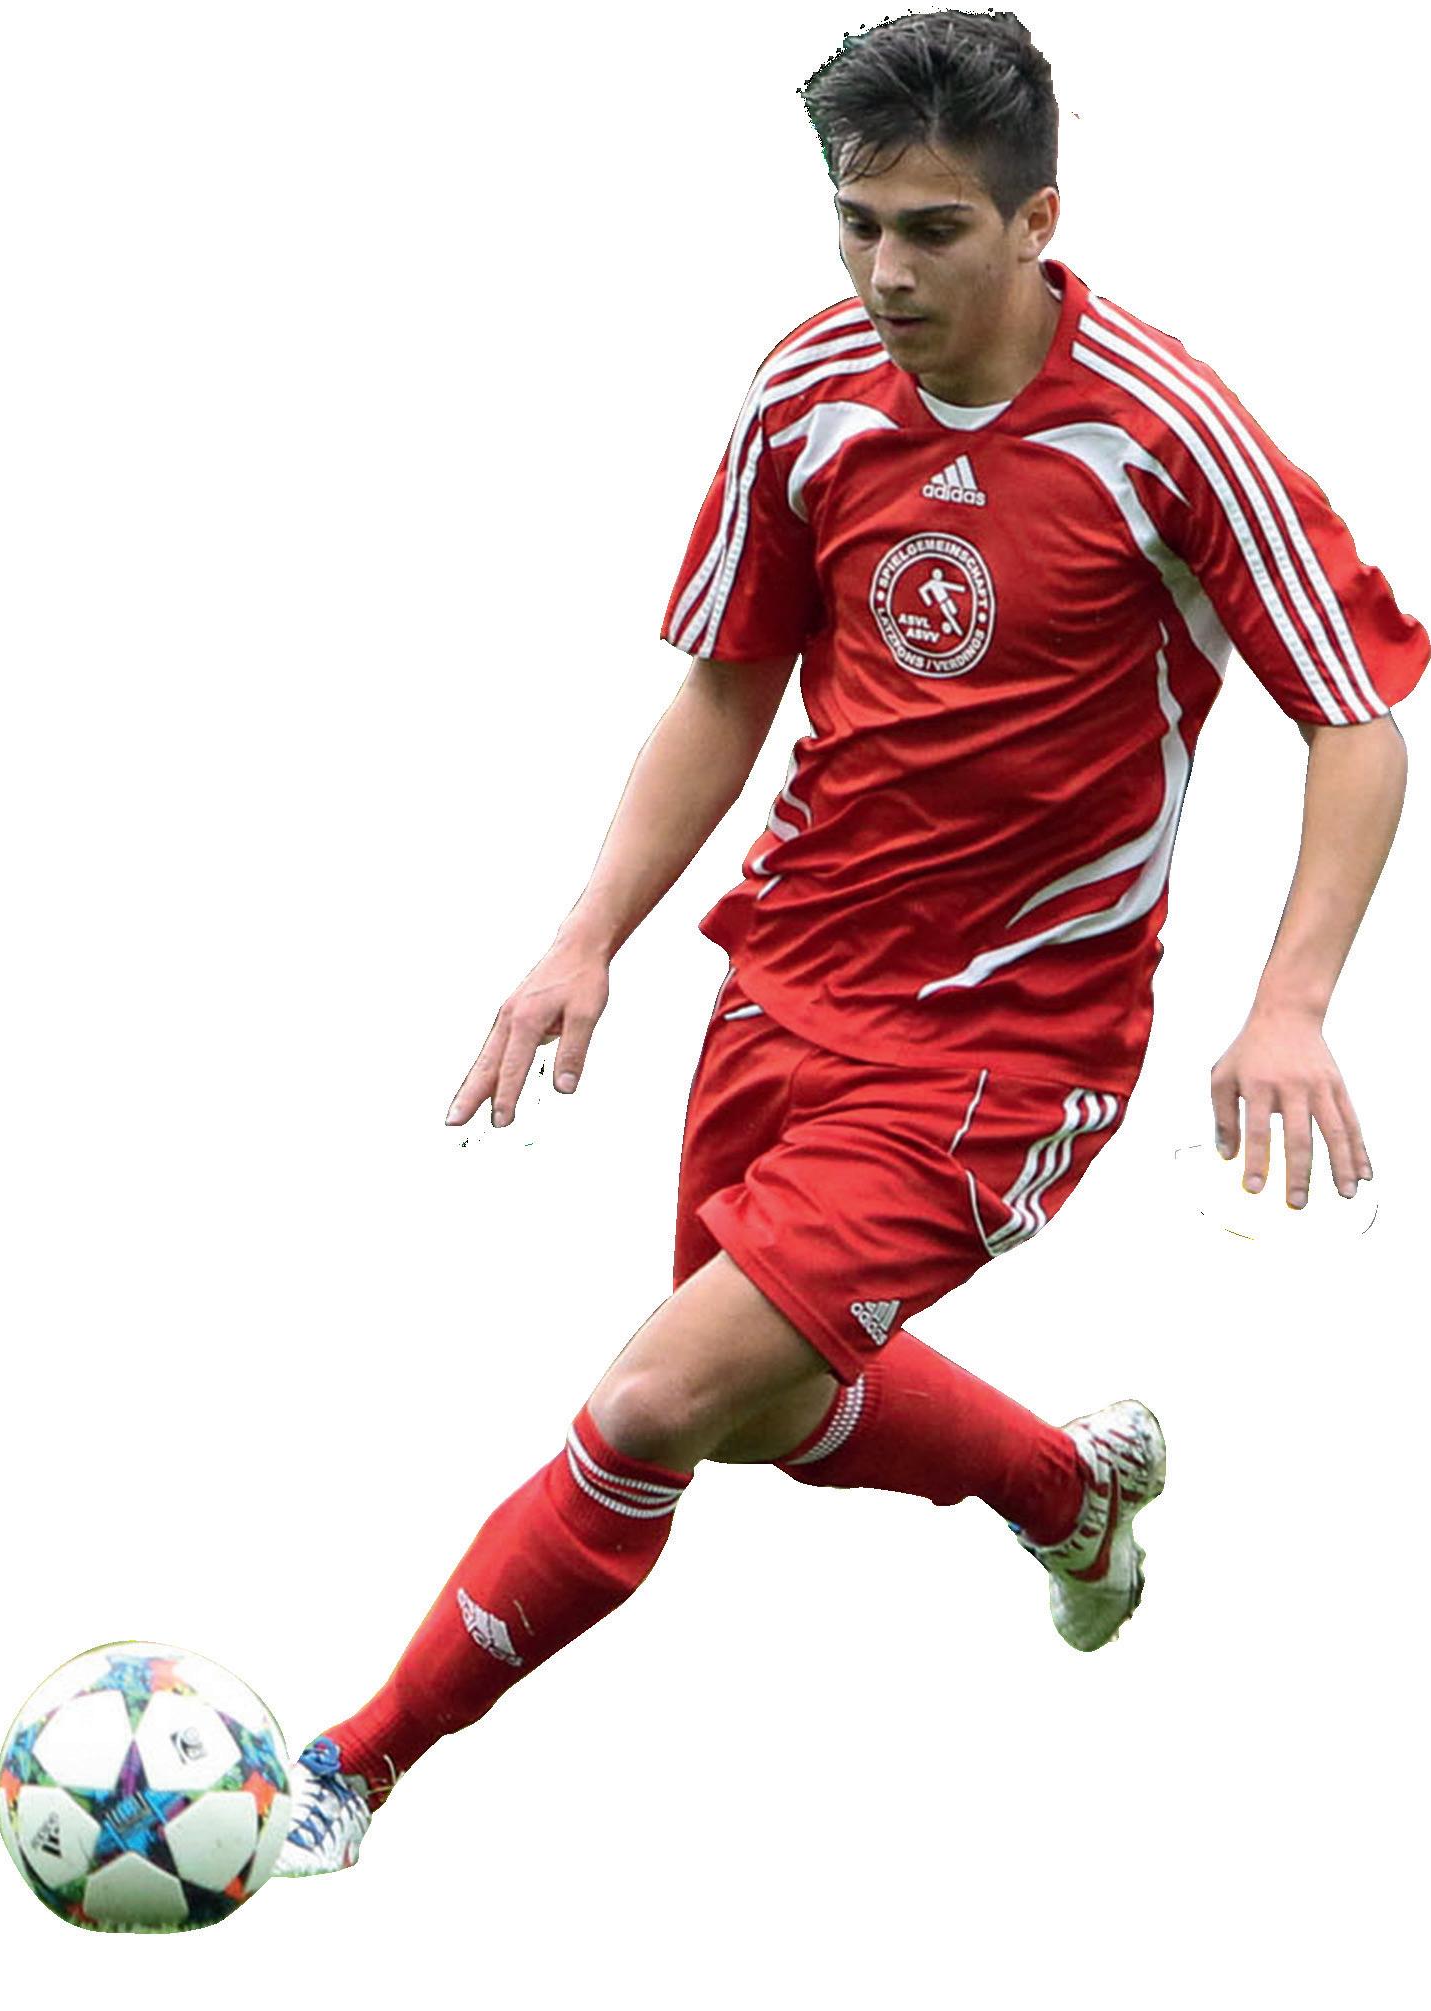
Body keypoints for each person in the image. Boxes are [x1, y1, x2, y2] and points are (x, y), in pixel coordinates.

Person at [274, 7, 1423, 1875]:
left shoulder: (1171, 433)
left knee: (653, 1399)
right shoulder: (807, 390)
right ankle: (1066, 1490)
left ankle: (344, 1771)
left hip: (1010, 1044)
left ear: (1040, 221)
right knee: (772, 1410)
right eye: (856, 224)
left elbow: (1357, 717)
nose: (886, 273)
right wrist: (588, 936)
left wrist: (1289, 1001)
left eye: (934, 231)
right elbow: (731, 683)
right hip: (789, 978)